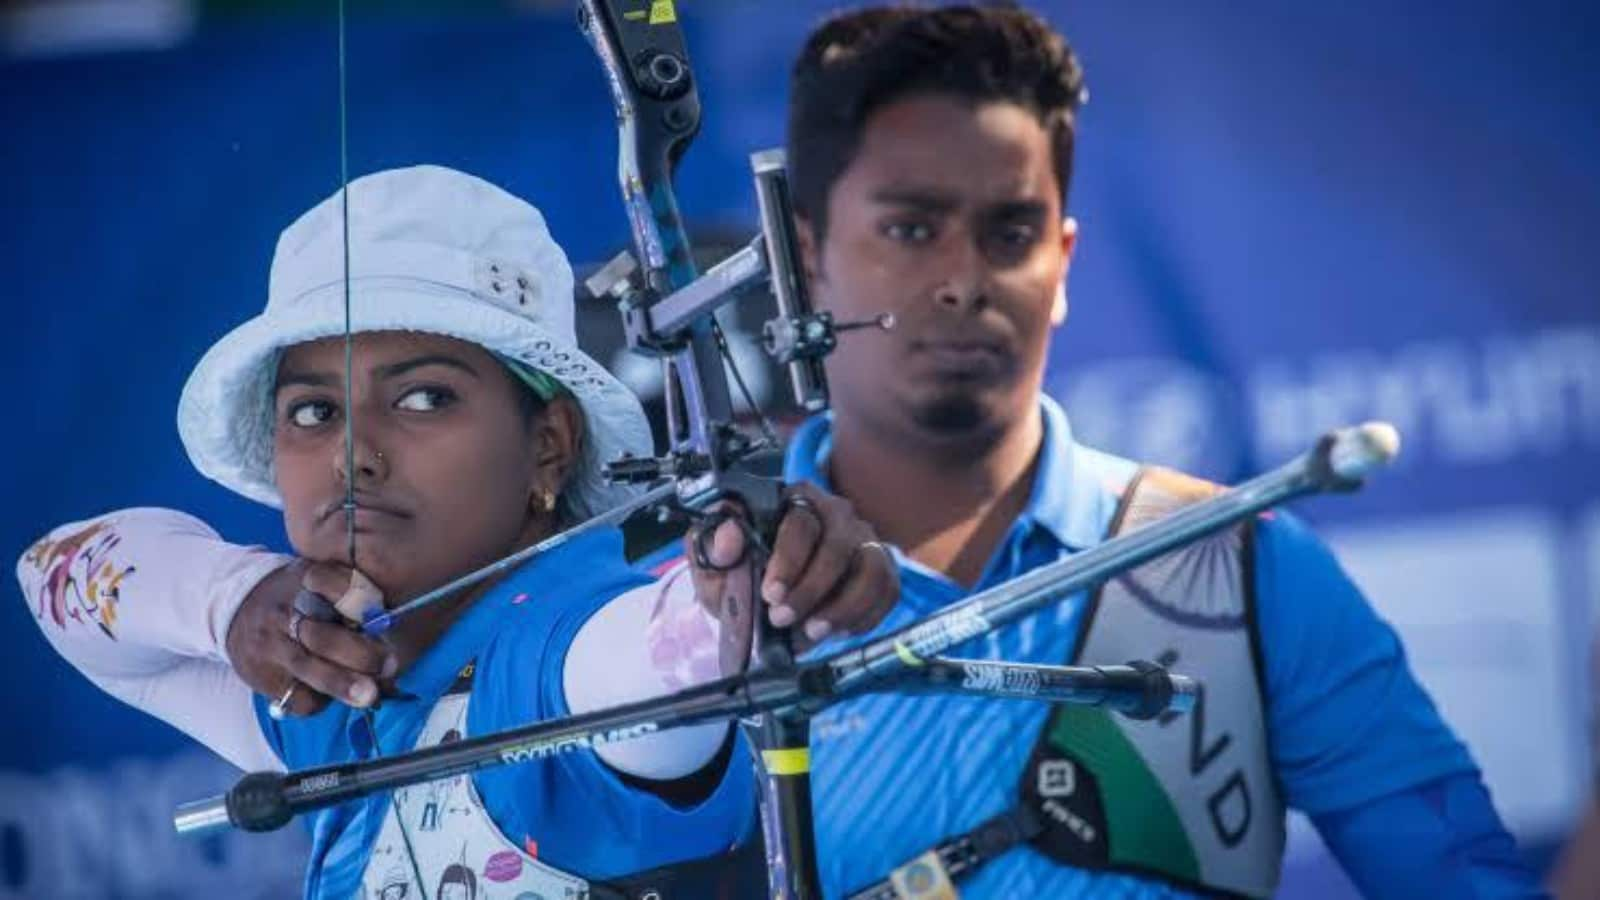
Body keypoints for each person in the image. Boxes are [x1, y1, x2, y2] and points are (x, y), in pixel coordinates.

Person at [23, 5, 1548, 899]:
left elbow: (1461, 883)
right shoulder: (485, 636)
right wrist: (238, 597)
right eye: (906, 227)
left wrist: (723, 606)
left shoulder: (1241, 570)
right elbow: (73, 574)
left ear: (1069, 259)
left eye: (1010, 231)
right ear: (802, 259)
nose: (959, 279)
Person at [17, 163, 897, 899]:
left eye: (425, 398)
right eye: (314, 411)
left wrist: (750, 586)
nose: (354, 457)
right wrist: (233, 601)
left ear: (549, 445)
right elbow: (49, 579)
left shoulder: (560, 639)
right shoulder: (332, 686)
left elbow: (664, 651)